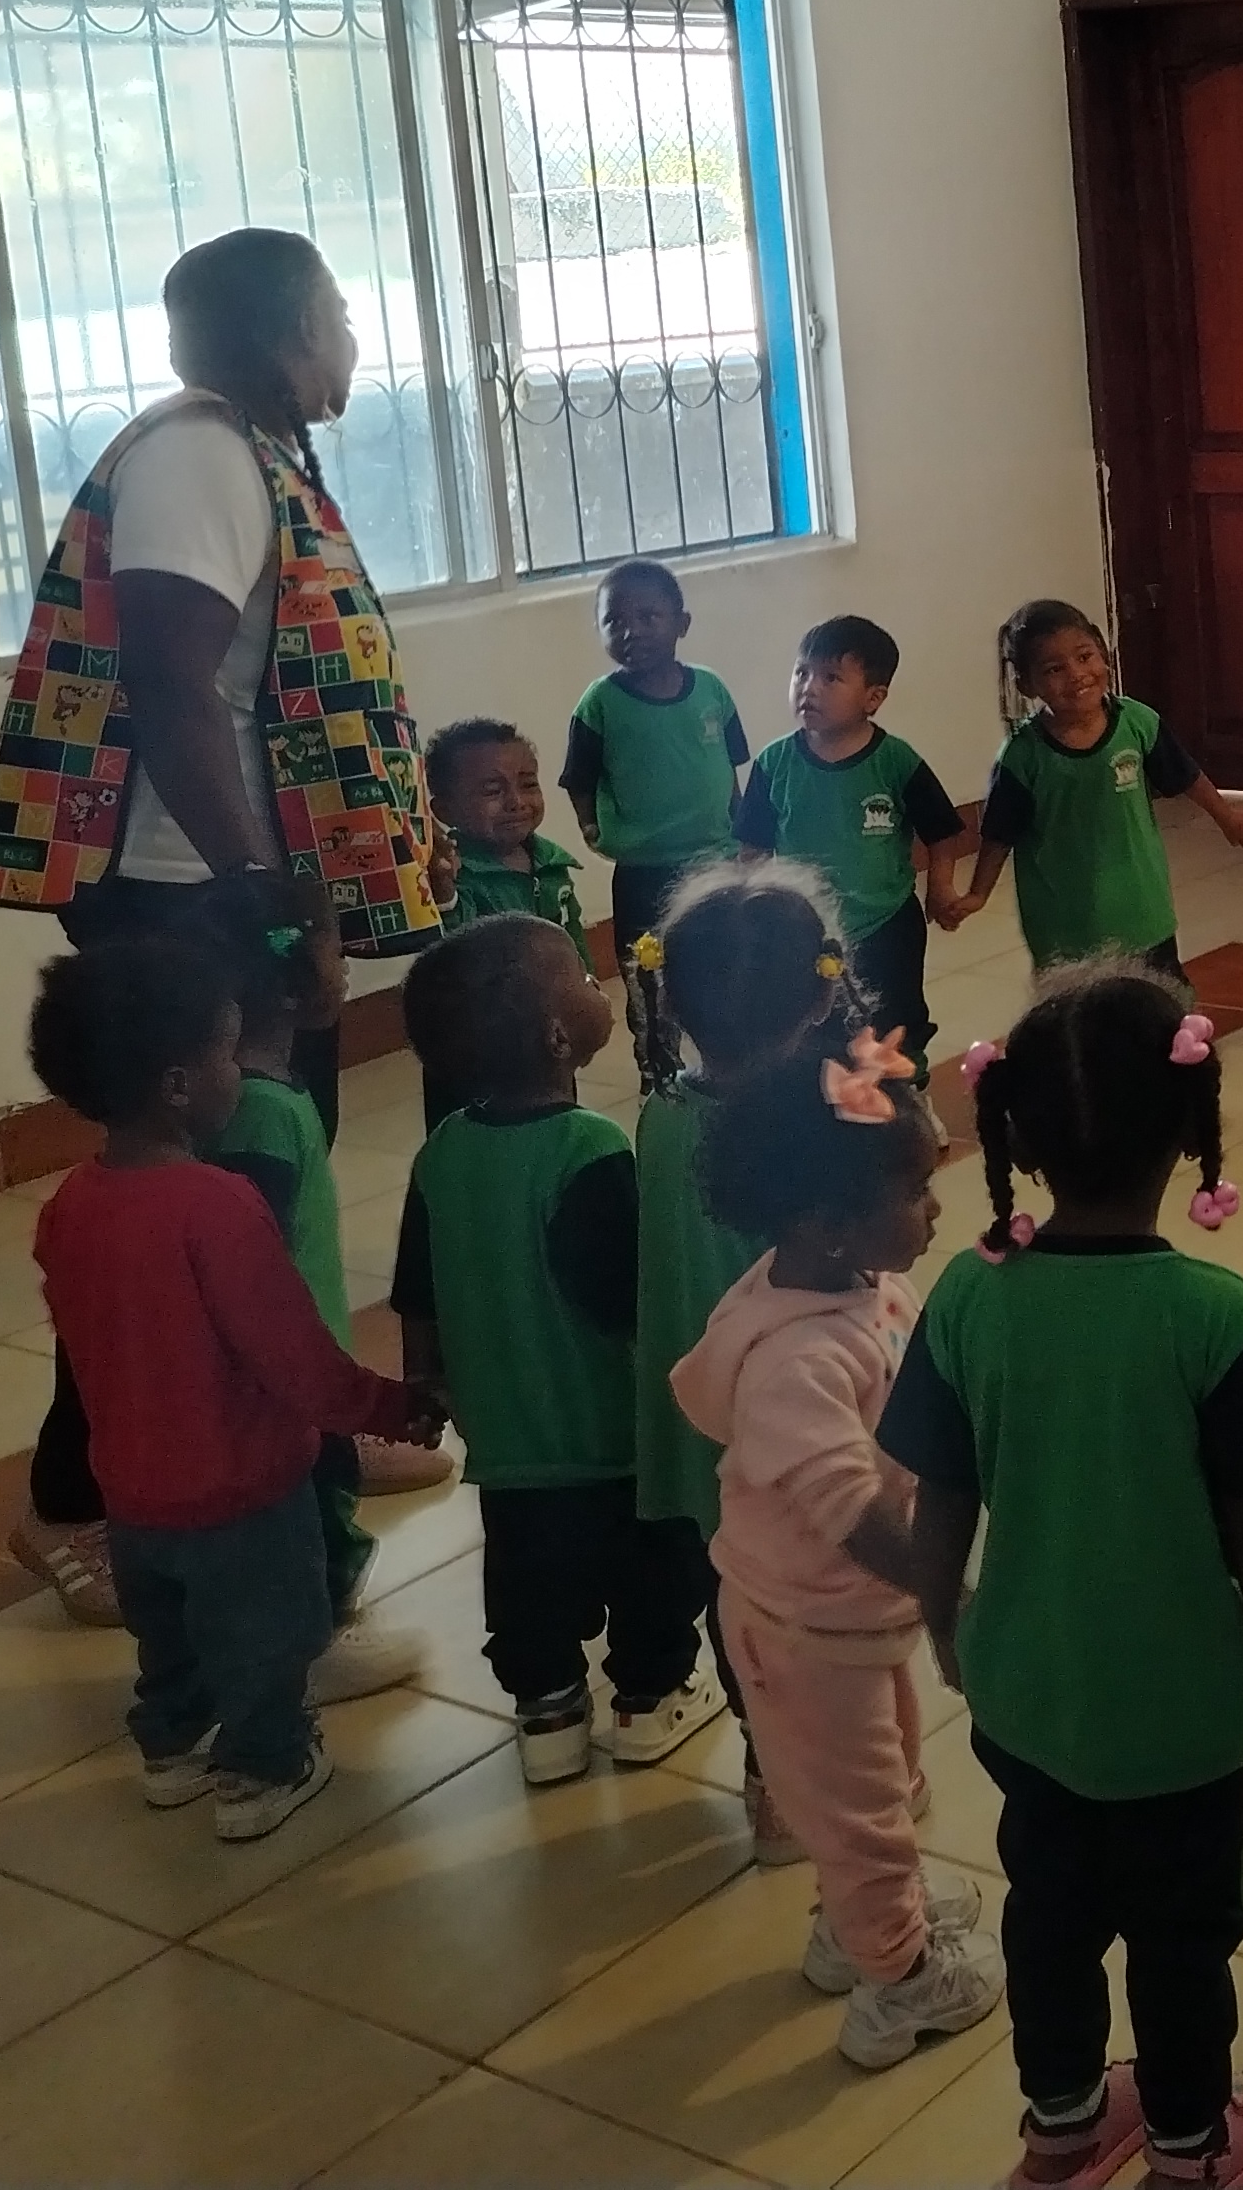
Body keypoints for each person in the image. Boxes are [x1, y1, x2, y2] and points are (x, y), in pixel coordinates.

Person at [0, 227, 441, 1625]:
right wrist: (262, 896)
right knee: (181, 1211)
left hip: (225, 886)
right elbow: (169, 689)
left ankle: (297, 1427)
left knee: (266, 1191)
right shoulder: (199, 461)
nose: (352, 336)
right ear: (283, 332)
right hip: (184, 895)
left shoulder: (259, 453)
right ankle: (74, 1501)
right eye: (339, 311)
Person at [884, 967, 1243, 2190]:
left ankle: (1064, 2130)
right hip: (1183, 1717)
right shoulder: (1218, 1318)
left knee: (1050, 1915)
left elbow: (939, 1496)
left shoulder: (967, 1295)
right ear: (1192, 1132)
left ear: (1017, 1140)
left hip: (1027, 1694)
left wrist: (947, 1627)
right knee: (1182, 1938)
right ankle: (1187, 2148)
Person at [25, 944, 437, 1845]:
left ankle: (172, 1750)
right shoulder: (216, 1206)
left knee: (168, 1638)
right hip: (244, 1492)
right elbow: (295, 1359)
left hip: (133, 1493)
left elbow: (85, 1332)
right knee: (270, 1639)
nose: (236, 1073)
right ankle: (264, 1769)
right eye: (225, 1052)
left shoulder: (68, 1205)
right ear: (178, 1084)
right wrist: (387, 1407)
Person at [673, 1025, 1000, 2071]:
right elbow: (855, 1512)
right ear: (824, 1220)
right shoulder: (795, 1361)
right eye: (912, 1190)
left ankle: (850, 1928)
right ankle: (896, 1985)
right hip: (805, 1628)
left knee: (882, 1776)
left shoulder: (855, 1282)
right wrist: (950, 1597)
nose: (934, 1207)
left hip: (847, 1616)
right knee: (859, 1815)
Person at [394, 916, 724, 1786]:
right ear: (555, 1037)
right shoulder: (591, 1148)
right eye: (580, 976)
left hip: (505, 1444)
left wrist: (424, 1380)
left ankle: (547, 1714)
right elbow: (630, 1302)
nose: (595, 986)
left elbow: (416, 1289)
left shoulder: (441, 1154)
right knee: (649, 1576)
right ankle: (649, 1698)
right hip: (610, 1436)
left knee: (528, 1586)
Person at [627, 860, 832, 1859]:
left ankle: (766, 1772)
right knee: (812, 1602)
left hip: (697, 1408)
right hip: (794, 1413)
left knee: (735, 1594)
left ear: (671, 1000)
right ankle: (805, 1789)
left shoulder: (660, 1114)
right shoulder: (812, 1123)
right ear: (821, 994)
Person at [202, 913, 450, 1628]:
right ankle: (316, 1627)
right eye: (335, 954)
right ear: (289, 991)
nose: (345, 968)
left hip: (300, 1359)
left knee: (322, 1476)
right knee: (309, 1496)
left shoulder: (270, 1092)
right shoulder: (262, 1114)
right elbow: (253, 1257)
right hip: (288, 1364)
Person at [947, 598, 1243, 975]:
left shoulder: (1138, 723)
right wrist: (978, 894)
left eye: (1084, 656)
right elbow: (998, 835)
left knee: (1160, 1002)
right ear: (1027, 684)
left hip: (1144, 913)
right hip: (1064, 930)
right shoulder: (1022, 756)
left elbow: (1186, 776)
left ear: (1102, 654)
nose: (1076, 674)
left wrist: (1228, 819)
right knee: (1081, 1009)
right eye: (1054, 669)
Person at [733, 615, 963, 1072]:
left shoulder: (896, 761)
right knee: (816, 1022)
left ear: (873, 698)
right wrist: (755, 907)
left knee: (896, 1018)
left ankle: (907, 1090)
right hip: (806, 927)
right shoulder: (775, 763)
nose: (809, 688)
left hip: (886, 922)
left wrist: (940, 889)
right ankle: (832, 1096)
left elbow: (941, 832)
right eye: (802, 672)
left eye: (830, 678)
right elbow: (753, 849)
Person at [563, 559, 751, 1071]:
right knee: (647, 973)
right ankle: (659, 1072)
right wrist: (590, 825)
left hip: (714, 862)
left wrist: (742, 832)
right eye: (615, 620)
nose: (632, 631)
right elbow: (579, 777)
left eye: (648, 617)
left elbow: (730, 767)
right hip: (643, 871)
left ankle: (728, 1061)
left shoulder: (711, 689)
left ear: (681, 624)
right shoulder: (600, 703)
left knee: (723, 962)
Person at [429, 717, 589, 945]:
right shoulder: (454, 872)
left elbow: (574, 940)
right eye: (493, 790)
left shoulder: (552, 862)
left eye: (529, 785)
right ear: (445, 810)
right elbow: (454, 947)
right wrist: (445, 894)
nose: (517, 802)